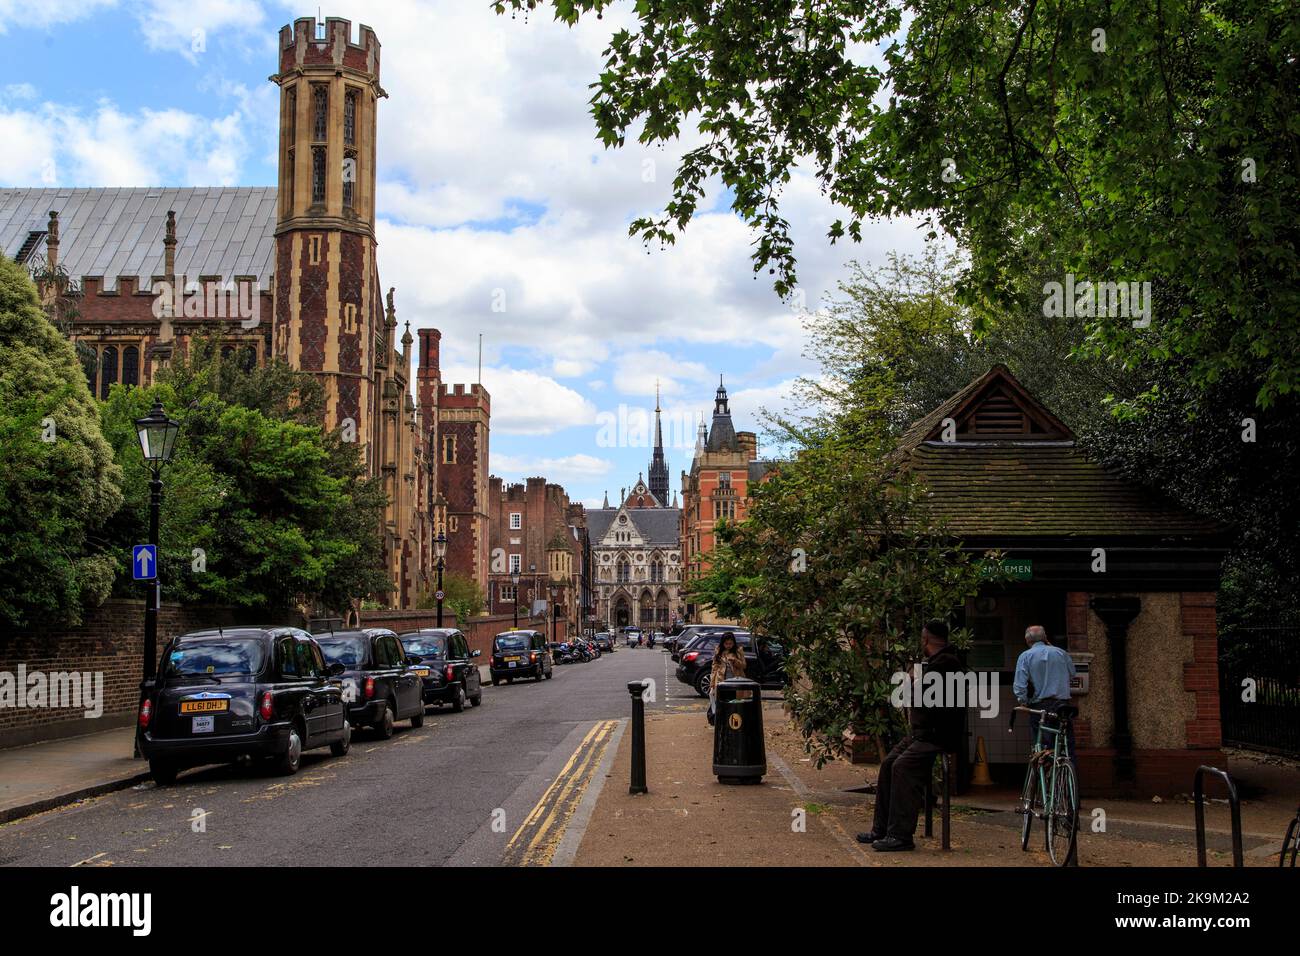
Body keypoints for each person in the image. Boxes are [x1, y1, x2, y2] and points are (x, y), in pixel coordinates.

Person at [857, 619, 965, 852]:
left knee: (902, 768)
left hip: (936, 736)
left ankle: (901, 835)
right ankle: (882, 829)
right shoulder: (936, 662)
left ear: (926, 639)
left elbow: (918, 695)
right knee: (888, 764)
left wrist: (912, 682)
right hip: (921, 733)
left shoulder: (946, 663)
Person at [1013, 624, 1077, 765]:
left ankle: (1046, 778)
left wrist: (1023, 701)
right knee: (1067, 743)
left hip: (1040, 706)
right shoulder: (1061, 653)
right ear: (1045, 637)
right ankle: (1068, 779)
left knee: (1042, 745)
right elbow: (1072, 674)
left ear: (1027, 640)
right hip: (1063, 705)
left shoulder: (1025, 656)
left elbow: (1020, 685)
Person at [707, 632, 746, 726]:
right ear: (722, 643)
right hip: (721, 682)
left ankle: (733, 723)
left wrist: (735, 661)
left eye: (730, 643)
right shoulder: (719, 651)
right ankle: (722, 722)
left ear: (733, 643)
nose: (728, 646)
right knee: (722, 703)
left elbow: (744, 666)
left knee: (734, 704)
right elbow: (714, 668)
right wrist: (712, 684)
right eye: (726, 644)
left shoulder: (738, 651)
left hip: (735, 683)